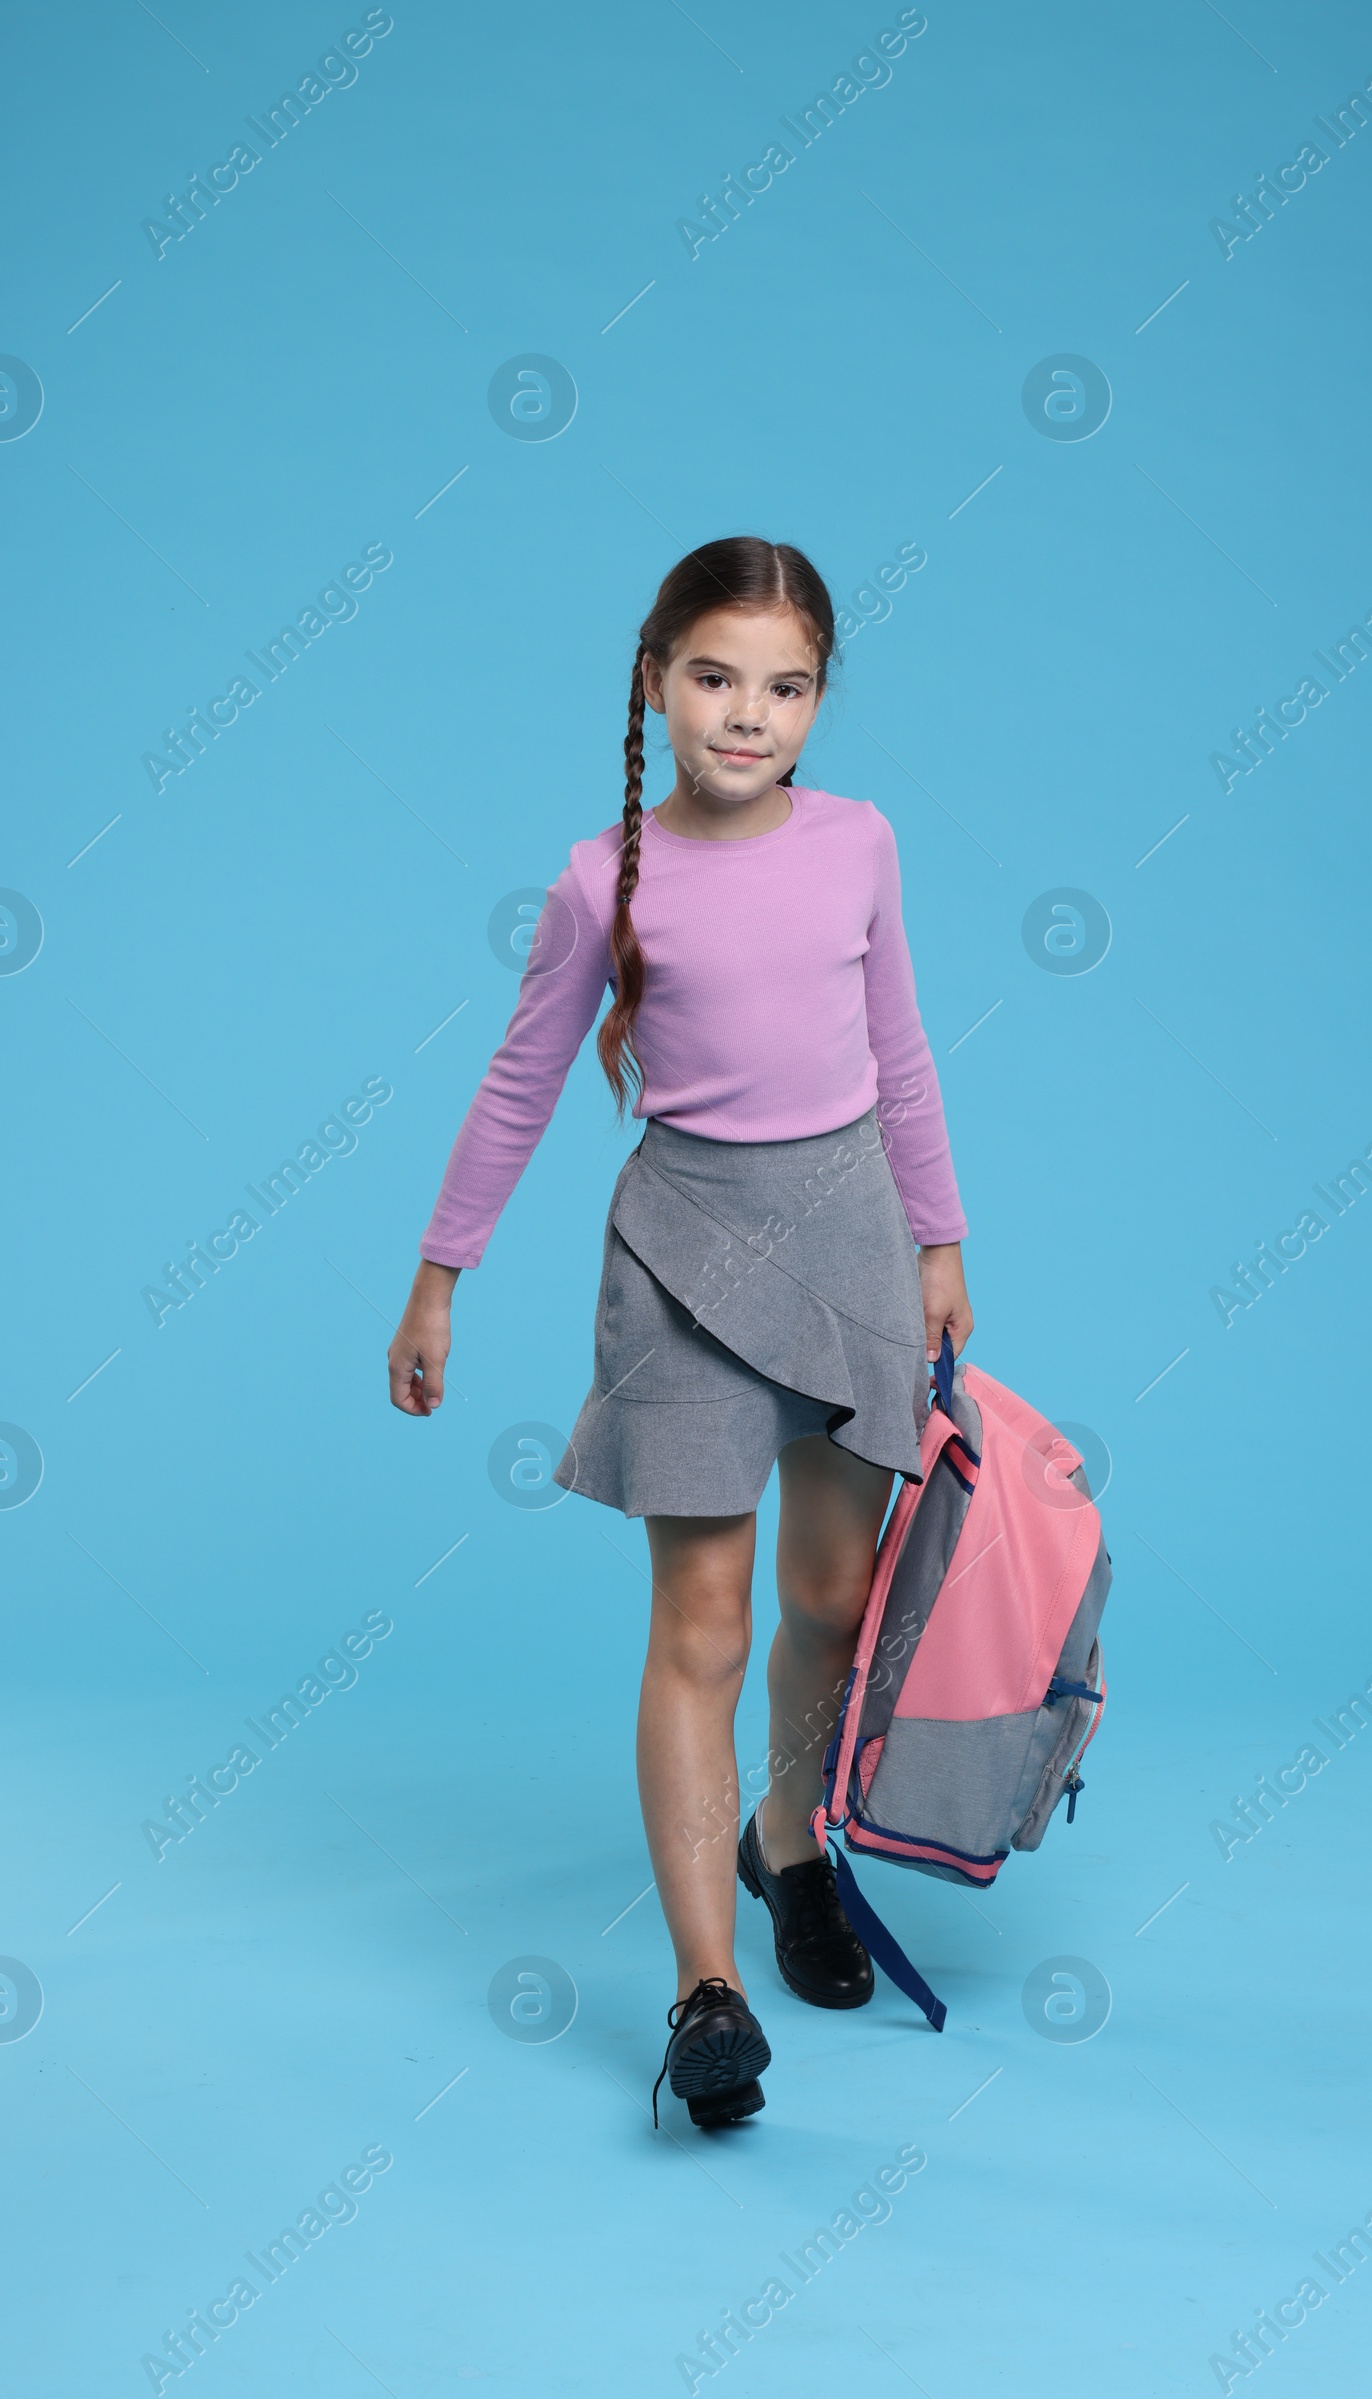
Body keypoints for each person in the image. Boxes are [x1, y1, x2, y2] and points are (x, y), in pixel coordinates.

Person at [387, 536, 973, 2129]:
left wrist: (939, 1237)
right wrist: (445, 1271)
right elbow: (520, 1082)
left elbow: (902, 1048)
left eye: (786, 689)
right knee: (699, 1629)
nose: (747, 716)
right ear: (656, 678)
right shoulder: (603, 875)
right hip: (684, 1250)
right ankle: (706, 1989)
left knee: (836, 1599)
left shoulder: (860, 844)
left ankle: (791, 1845)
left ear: (819, 703)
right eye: (715, 678)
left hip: (851, 1232)